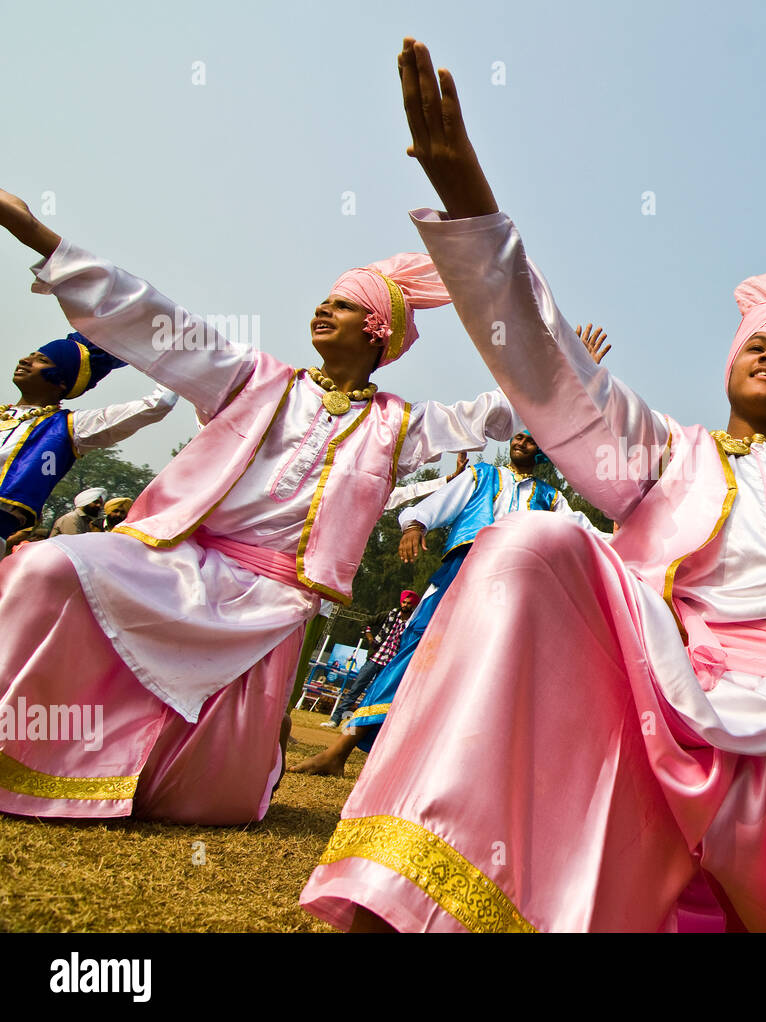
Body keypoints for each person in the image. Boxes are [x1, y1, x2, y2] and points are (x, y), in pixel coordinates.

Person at [297, 40, 766, 934]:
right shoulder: (669, 455)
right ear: (729, 363)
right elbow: (556, 369)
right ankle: (413, 889)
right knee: (533, 543)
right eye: (756, 340)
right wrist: (473, 208)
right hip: (663, 705)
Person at [0, 186, 516, 825]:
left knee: (213, 802)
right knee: (45, 567)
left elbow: (494, 412)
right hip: (177, 564)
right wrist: (41, 238)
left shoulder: (401, 425)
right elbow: (154, 317)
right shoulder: (252, 378)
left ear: (379, 329)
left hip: (269, 606)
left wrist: (553, 363)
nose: (323, 308)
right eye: (325, 299)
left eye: (345, 304)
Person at [292, 423, 606, 777]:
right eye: (518, 436)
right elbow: (440, 503)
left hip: (513, 584)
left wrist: (630, 534)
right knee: (416, 651)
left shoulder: (551, 498)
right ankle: (340, 750)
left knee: (488, 667)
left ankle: (454, 770)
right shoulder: (482, 474)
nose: (520, 441)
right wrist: (416, 526)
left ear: (542, 452)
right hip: (462, 570)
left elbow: (585, 530)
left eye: (530, 439)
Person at [0, 331, 176, 541]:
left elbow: (158, 404)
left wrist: (172, 358)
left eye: (42, 360)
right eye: (30, 355)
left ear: (62, 381)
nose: (24, 360)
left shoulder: (70, 427)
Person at [319, 591, 420, 730]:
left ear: (413, 605)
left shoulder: (413, 623)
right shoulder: (389, 615)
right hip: (375, 659)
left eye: (409, 603)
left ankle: (359, 725)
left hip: (390, 665)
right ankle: (335, 719)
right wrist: (370, 637)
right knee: (355, 689)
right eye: (404, 602)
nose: (405, 605)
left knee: (375, 696)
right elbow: (366, 622)